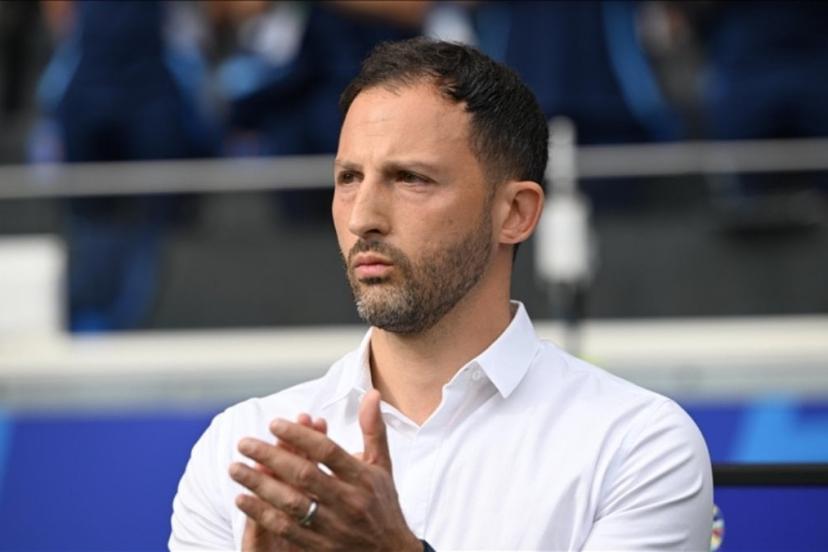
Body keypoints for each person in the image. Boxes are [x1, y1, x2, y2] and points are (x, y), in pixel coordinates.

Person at [170, 38, 712, 550]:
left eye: (410, 178)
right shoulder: (240, 446)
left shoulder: (636, 444)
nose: (363, 218)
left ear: (515, 212)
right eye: (349, 178)